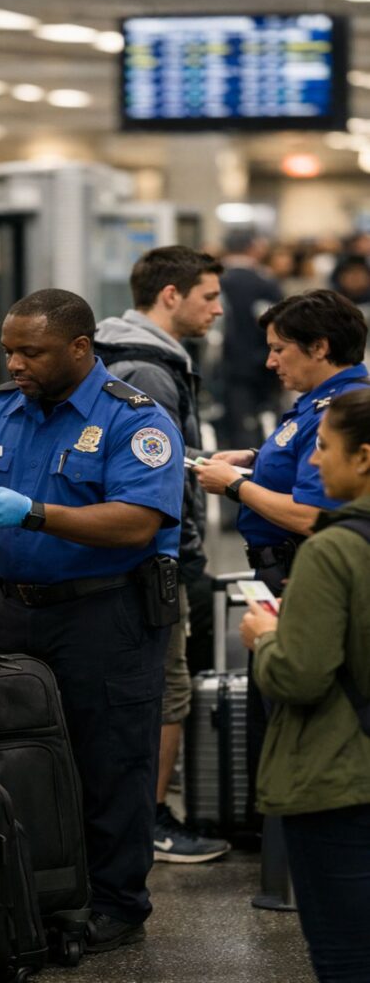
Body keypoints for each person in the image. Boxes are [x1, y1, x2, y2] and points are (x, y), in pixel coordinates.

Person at [0, 288, 184, 953]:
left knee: (109, 759)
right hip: (16, 610)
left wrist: (33, 513)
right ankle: (38, 894)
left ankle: (116, 905)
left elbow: (137, 521)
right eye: (9, 349)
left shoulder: (133, 418)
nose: (14, 363)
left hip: (106, 612)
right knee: (18, 757)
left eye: (30, 351)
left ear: (79, 348)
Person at [194, 290, 369, 795]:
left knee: (293, 700)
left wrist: (233, 485)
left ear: (319, 347)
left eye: (279, 349)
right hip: (275, 572)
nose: (269, 362)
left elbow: (315, 516)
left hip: (298, 573)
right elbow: (298, 460)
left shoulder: (342, 411)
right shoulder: (317, 406)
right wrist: (255, 458)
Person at [94, 245, 230, 864]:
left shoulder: (119, 353)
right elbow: (158, 473)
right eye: (208, 296)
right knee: (168, 687)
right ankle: (150, 820)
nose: (218, 309)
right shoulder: (148, 368)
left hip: (126, 552)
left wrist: (204, 463)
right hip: (160, 553)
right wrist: (190, 547)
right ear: (169, 296)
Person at [240, 388, 370, 983]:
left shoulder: (333, 550)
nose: (314, 462)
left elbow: (299, 674)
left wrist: (265, 636)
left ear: (363, 457)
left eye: (323, 447)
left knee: (347, 958)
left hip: (342, 782)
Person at [217, 229, 284, 450]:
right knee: (268, 421)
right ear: (252, 248)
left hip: (227, 365)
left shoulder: (218, 282)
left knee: (237, 424)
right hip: (265, 363)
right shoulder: (265, 283)